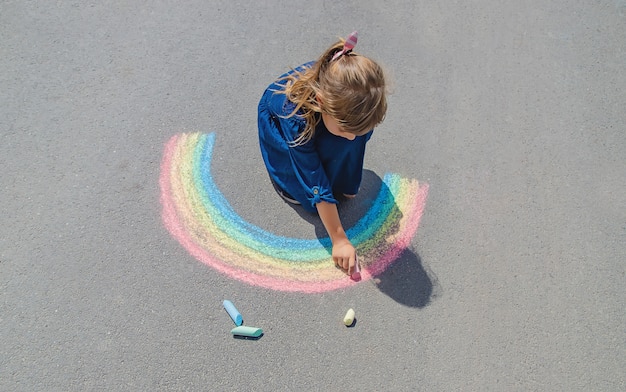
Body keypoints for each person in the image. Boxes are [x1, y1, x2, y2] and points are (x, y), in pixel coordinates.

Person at [257, 31, 387, 276]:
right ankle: (287, 182)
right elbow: (312, 174)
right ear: (320, 101)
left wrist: (349, 162)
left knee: (346, 141)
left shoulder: (356, 103)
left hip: (325, 117)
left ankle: (340, 167)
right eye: (345, 129)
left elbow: (351, 133)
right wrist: (339, 239)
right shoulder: (294, 118)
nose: (352, 137)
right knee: (308, 196)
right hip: (284, 128)